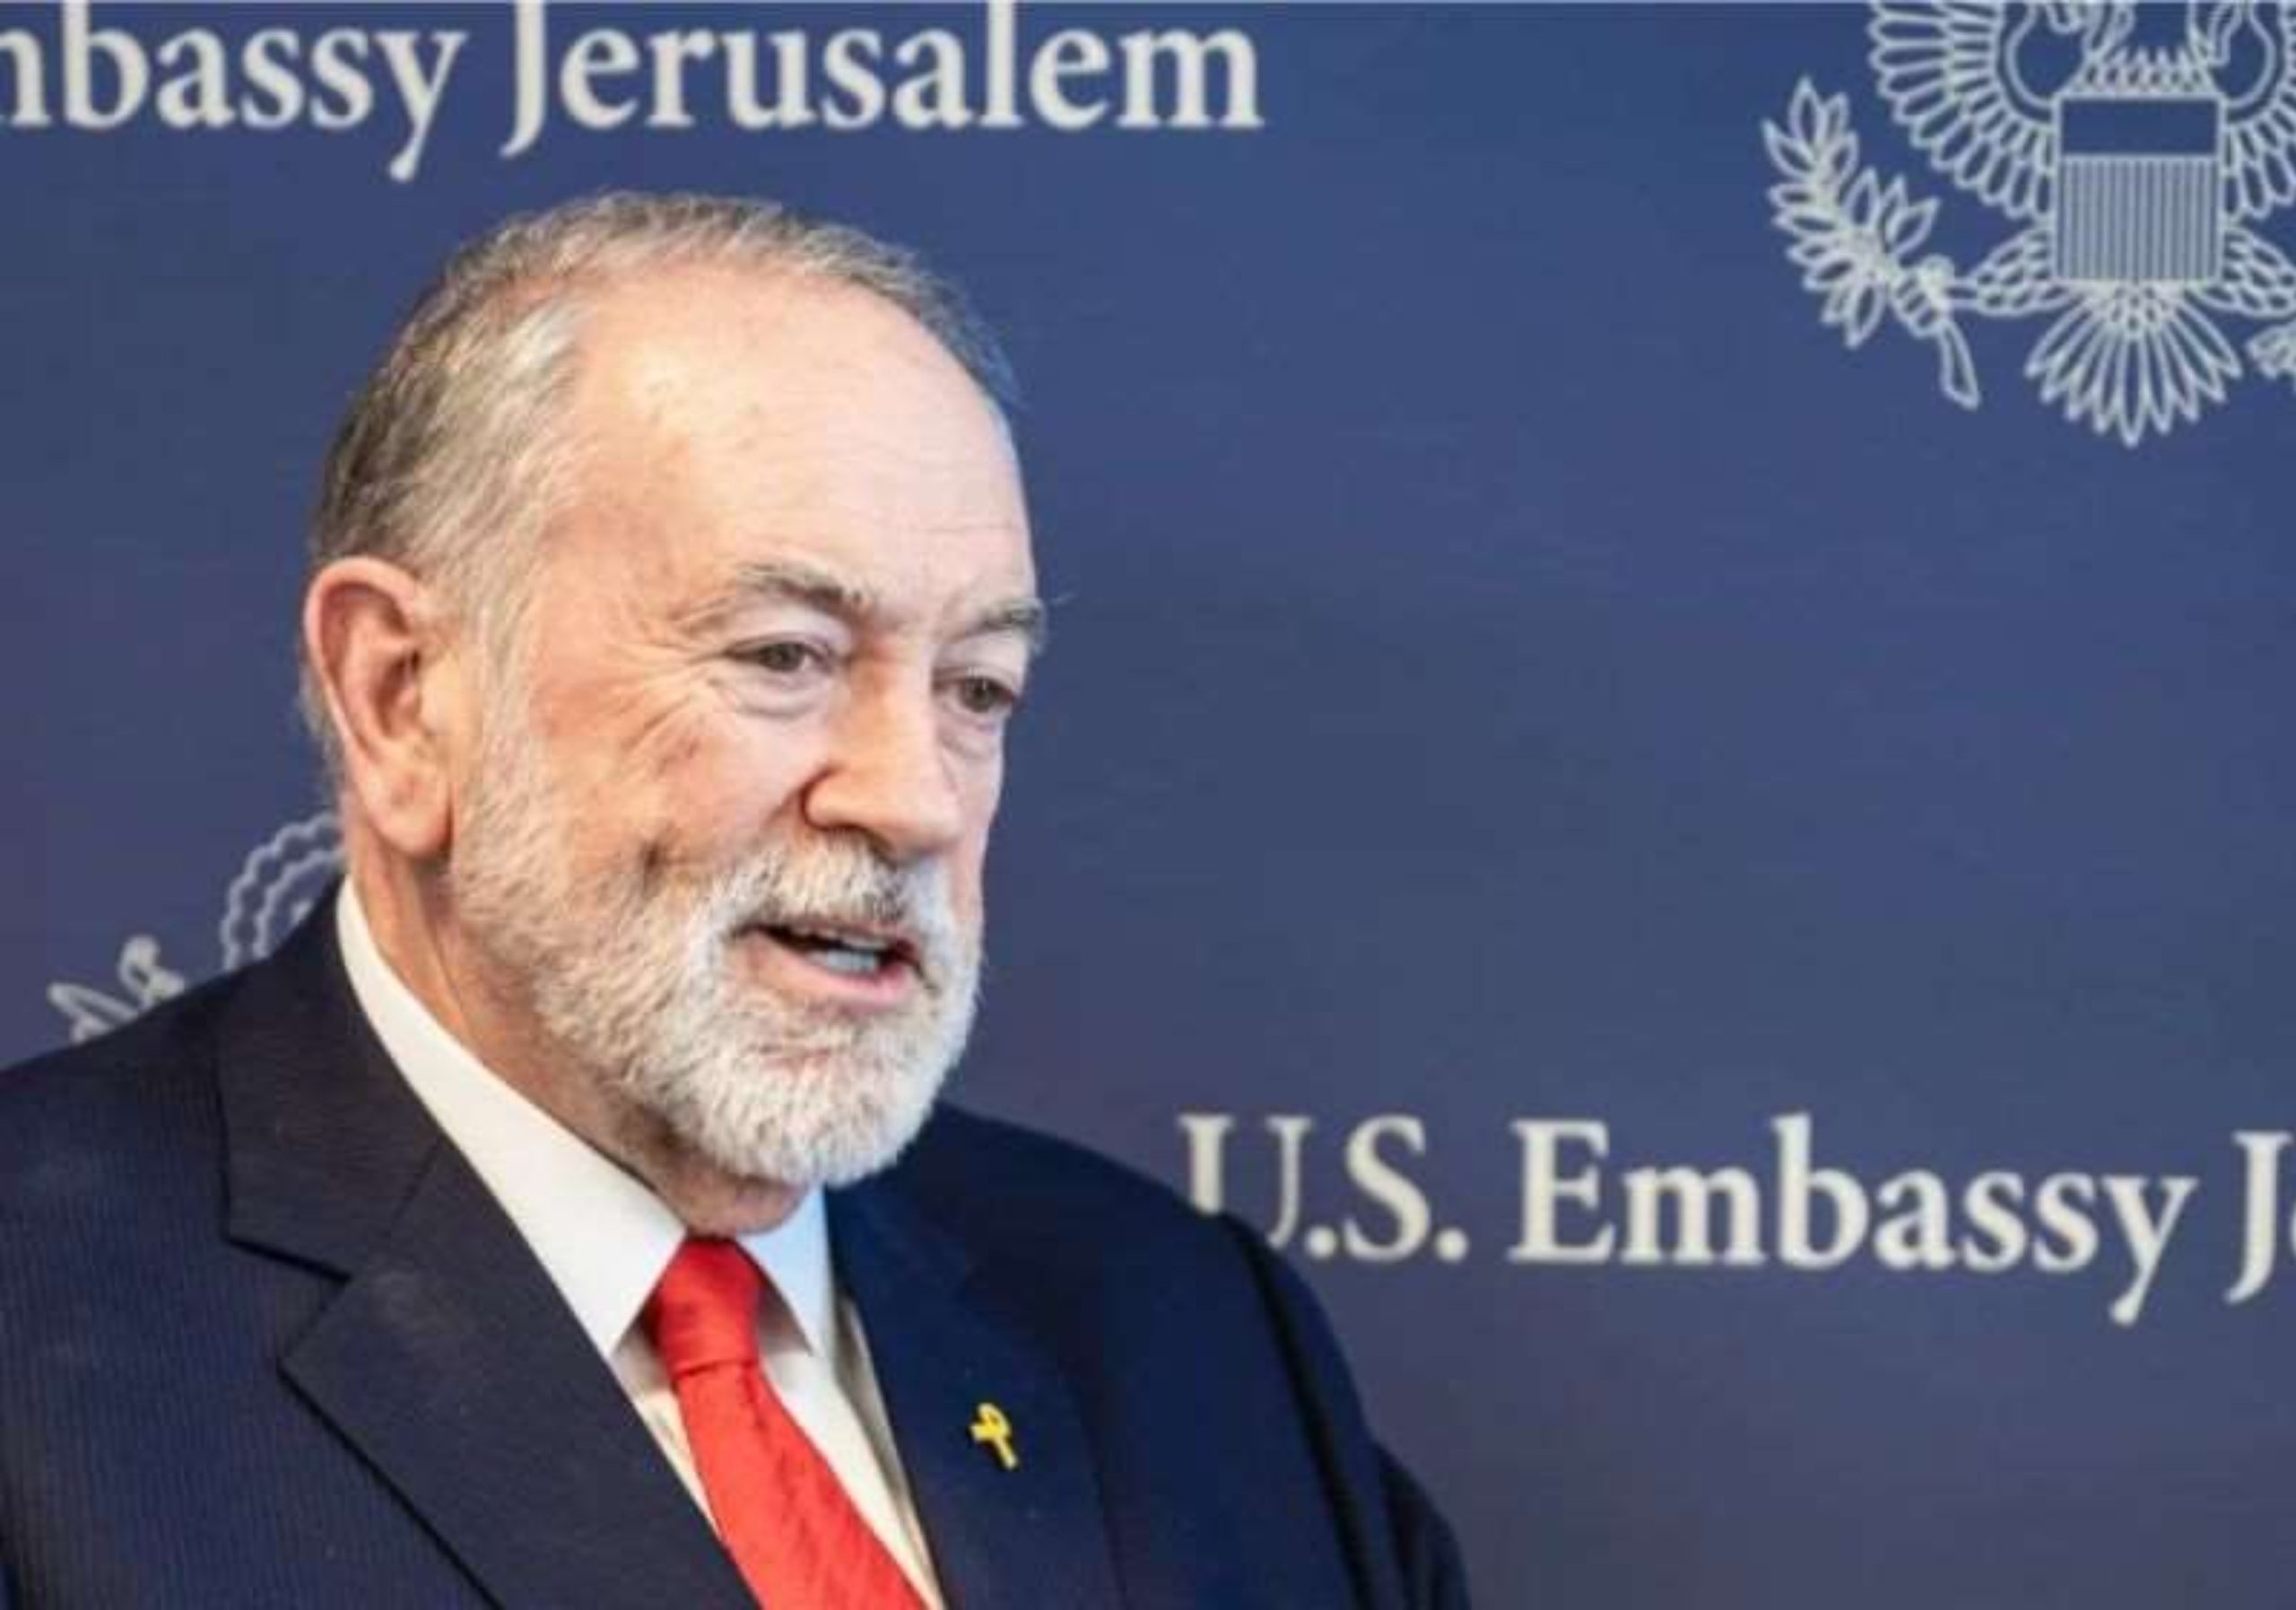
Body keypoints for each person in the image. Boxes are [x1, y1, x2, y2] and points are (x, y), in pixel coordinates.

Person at [0, 193, 1469, 1609]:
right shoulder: (42, 1335)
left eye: (977, 688)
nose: (914, 798)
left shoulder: (1189, 1338)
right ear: (405, 698)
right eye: (785, 656)